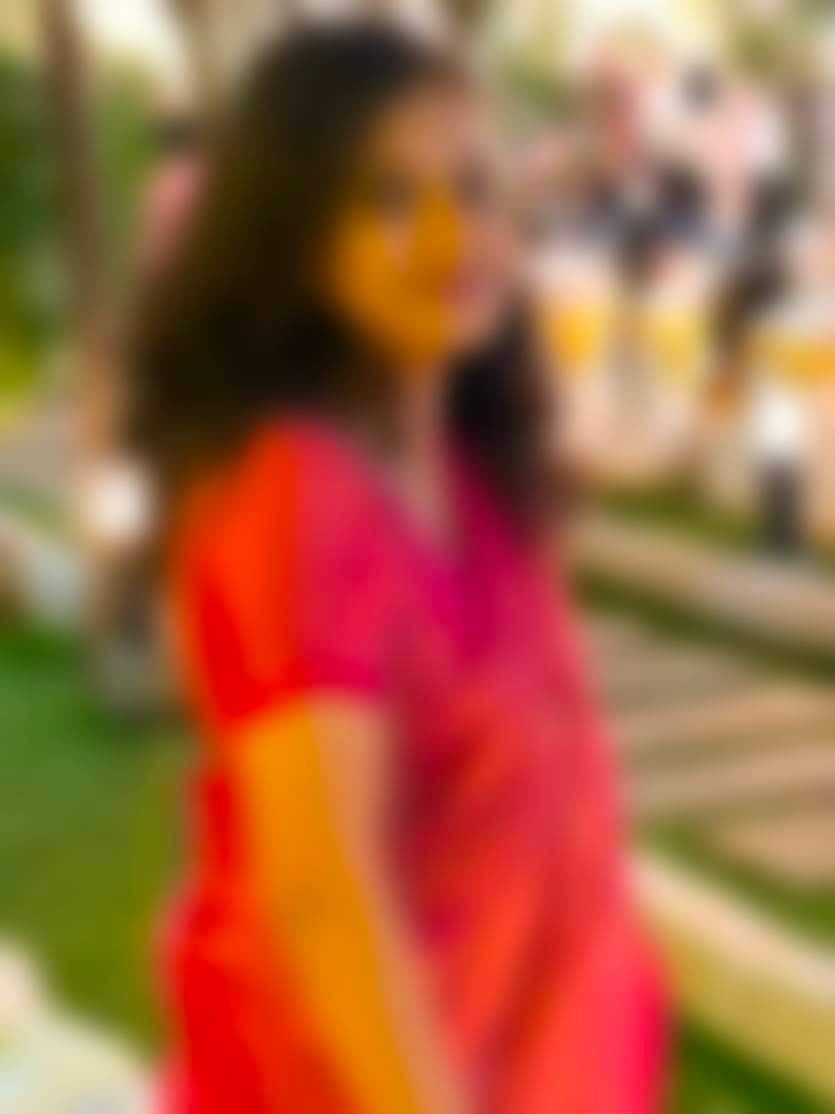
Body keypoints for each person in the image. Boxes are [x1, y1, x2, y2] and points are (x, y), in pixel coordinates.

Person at [134, 22, 665, 1114]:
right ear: (292, 238)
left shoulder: (470, 467)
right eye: (388, 198)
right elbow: (324, 900)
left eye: (473, 188)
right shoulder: (291, 494)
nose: (450, 237)